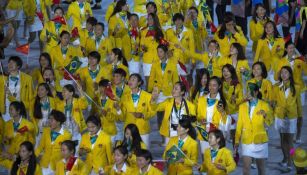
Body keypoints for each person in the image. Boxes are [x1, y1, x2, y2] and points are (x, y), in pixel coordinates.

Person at [235, 82, 273, 175]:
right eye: (247, 91)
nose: (248, 93)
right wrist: (236, 141)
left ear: (256, 92)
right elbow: (239, 125)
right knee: (246, 169)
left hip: (260, 141)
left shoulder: (264, 105)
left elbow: (270, 121)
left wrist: (265, 115)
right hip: (247, 141)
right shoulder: (242, 106)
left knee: (261, 169)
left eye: (250, 91)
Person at [273, 66, 302, 170]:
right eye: (282, 73)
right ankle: (285, 158)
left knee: (290, 142)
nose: (283, 74)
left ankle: (291, 160)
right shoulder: (276, 87)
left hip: (291, 118)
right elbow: (274, 102)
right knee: (282, 140)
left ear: (290, 74)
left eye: (286, 72)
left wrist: (300, 117)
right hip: (280, 116)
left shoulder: (296, 87)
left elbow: (299, 104)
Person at [197, 76, 230, 152]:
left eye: (214, 85)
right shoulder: (201, 99)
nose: (211, 87)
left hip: (217, 134)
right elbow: (198, 115)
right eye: (210, 85)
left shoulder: (223, 101)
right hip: (204, 133)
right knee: (205, 157)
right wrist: (200, 119)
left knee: (216, 158)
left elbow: (227, 121)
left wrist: (222, 112)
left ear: (219, 86)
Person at [121, 74, 155, 147]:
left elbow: (153, 112)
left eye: (133, 80)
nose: (130, 81)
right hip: (129, 130)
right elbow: (122, 115)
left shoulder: (148, 96)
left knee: (144, 153)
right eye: (130, 79)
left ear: (139, 83)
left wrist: (142, 115)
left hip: (143, 129)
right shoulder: (124, 96)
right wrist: (118, 110)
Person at [35, 110, 72, 174]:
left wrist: (68, 169)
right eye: (49, 119)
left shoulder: (67, 135)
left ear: (58, 122)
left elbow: (68, 153)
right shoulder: (46, 131)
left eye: (52, 120)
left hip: (57, 167)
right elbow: (40, 146)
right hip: (44, 164)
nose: (49, 122)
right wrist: (33, 157)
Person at [0, 102, 35, 169]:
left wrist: (14, 134)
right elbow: (6, 143)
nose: (9, 111)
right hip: (10, 155)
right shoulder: (7, 124)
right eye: (9, 109)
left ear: (18, 111)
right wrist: (5, 140)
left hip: (23, 156)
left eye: (11, 109)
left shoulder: (28, 124)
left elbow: (31, 141)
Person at [0, 56, 34, 121]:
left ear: (18, 66)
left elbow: (31, 98)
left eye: (13, 63)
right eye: (9, 62)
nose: (10, 64)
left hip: (20, 110)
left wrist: (29, 110)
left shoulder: (27, 79)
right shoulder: (2, 79)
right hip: (6, 111)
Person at [91, 79, 123, 144]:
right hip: (99, 132)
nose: (102, 90)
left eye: (105, 88)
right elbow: (93, 114)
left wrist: (106, 114)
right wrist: (96, 115)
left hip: (110, 132)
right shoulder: (95, 100)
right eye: (100, 87)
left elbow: (117, 118)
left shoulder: (114, 101)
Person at [165, 13, 195, 81]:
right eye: (176, 20)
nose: (178, 22)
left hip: (184, 60)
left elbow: (191, 47)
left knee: (184, 81)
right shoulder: (169, 31)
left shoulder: (189, 32)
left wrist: (193, 60)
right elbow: (165, 44)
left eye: (180, 20)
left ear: (183, 20)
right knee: (173, 81)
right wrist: (168, 51)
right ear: (174, 21)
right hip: (173, 59)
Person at [139, 12, 164, 88]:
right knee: (148, 83)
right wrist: (143, 48)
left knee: (159, 83)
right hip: (147, 60)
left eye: (151, 19)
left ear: (155, 20)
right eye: (148, 19)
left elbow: (164, 45)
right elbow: (141, 45)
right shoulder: (143, 31)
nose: (149, 20)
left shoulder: (160, 31)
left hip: (158, 59)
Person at [221, 64, 244, 145]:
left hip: (234, 113)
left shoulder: (237, 85)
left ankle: (235, 153)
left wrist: (235, 100)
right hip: (223, 112)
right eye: (224, 71)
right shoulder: (220, 83)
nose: (225, 73)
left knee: (234, 135)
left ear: (232, 72)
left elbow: (242, 99)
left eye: (228, 71)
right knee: (222, 136)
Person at [30, 83, 56, 147]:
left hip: (51, 129)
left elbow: (57, 114)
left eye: (42, 90)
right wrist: (36, 129)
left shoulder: (53, 101)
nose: (39, 92)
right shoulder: (34, 102)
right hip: (39, 130)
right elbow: (32, 117)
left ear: (47, 91)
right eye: (38, 90)